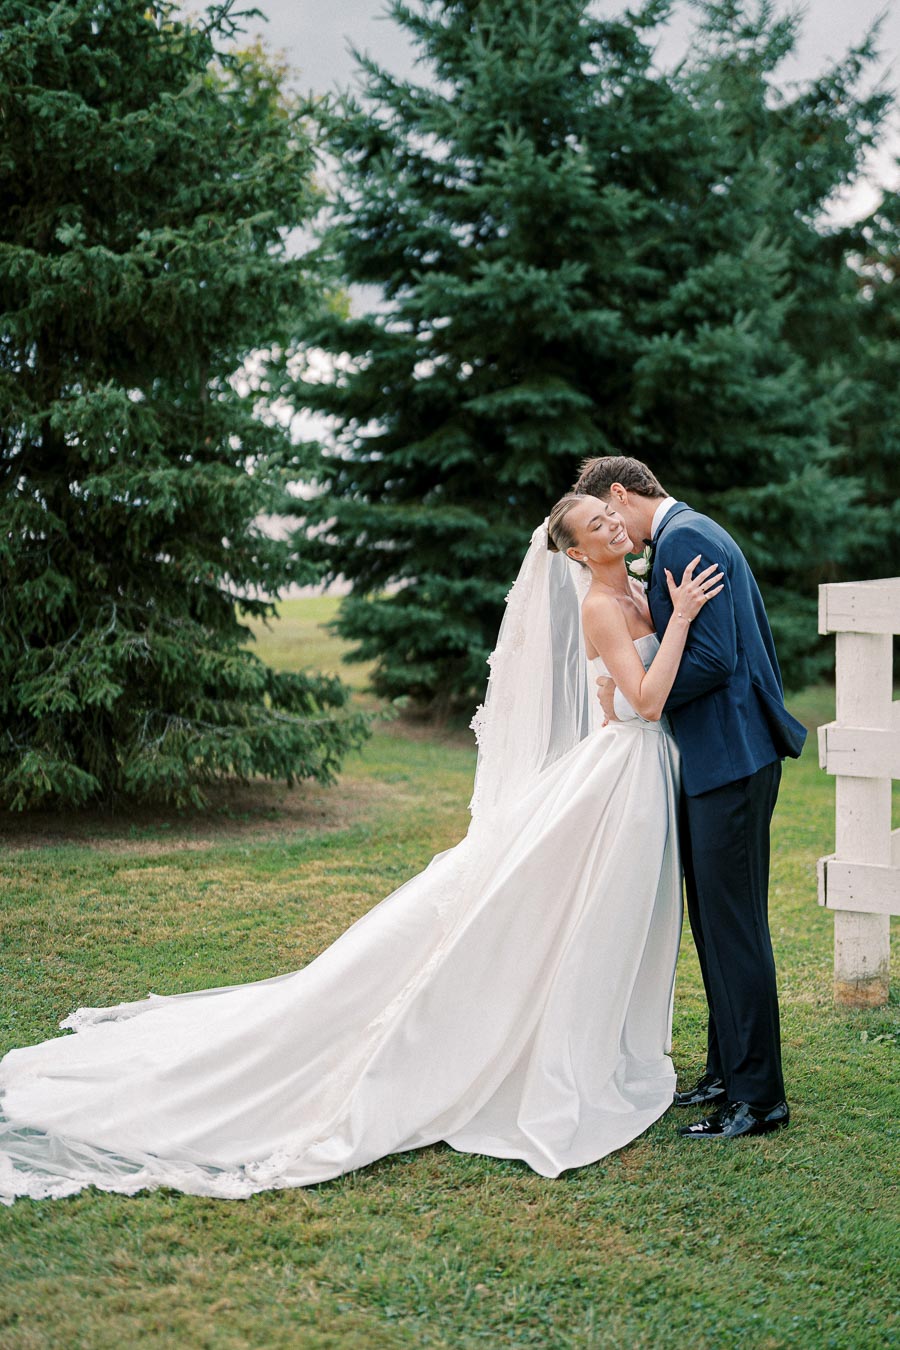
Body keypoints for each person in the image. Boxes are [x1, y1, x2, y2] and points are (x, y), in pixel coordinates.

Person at [0, 496, 720, 1204]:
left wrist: (651, 639)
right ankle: (542, 1053)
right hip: (621, 772)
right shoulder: (602, 604)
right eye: (595, 524)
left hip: (631, 769)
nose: (613, 525)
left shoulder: (631, 584)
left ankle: (582, 1040)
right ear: (571, 552)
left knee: (593, 915)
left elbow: (612, 694)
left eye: (610, 516)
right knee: (568, 913)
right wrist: (682, 618)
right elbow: (648, 700)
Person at [573, 456, 807, 1141]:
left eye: (608, 510)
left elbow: (717, 658)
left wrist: (637, 701)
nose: (614, 526)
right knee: (715, 921)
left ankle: (759, 1097)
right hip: (723, 756)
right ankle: (726, 1072)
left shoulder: (684, 539)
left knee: (732, 929)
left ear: (620, 493)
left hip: (728, 758)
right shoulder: (691, 532)